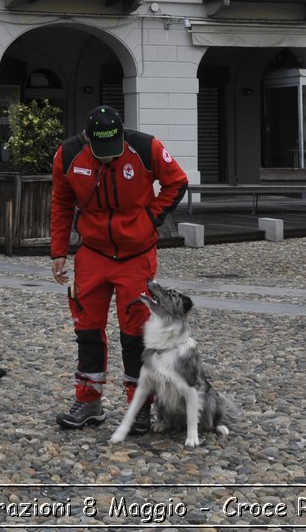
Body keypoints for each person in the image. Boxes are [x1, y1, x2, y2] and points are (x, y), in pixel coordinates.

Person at [48, 104, 188, 434]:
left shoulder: (145, 147)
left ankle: (138, 406)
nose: (109, 158)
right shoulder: (68, 156)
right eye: (102, 152)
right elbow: (61, 203)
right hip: (92, 254)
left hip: (136, 256)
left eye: (114, 151)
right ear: (88, 139)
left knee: (134, 335)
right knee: (87, 331)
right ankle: (88, 402)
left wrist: (149, 221)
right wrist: (58, 251)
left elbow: (176, 182)